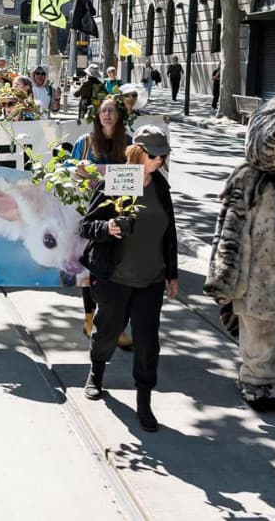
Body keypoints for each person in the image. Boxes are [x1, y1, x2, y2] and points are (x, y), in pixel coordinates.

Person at [79, 126, 179, 432]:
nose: (159, 161)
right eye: (154, 155)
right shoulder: (116, 182)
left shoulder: (161, 187)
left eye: (164, 156)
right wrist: (107, 227)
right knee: (107, 331)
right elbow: (86, 226)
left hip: (151, 280)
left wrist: (172, 274)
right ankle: (96, 372)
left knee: (148, 343)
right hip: (115, 278)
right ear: (137, 153)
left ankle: (144, 400)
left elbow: (169, 233)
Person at [70, 96, 131, 342]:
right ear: (96, 115)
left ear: (119, 116)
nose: (107, 114)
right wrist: (78, 170)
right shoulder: (84, 143)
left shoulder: (128, 143)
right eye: (103, 110)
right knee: (89, 269)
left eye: (112, 111)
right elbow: (66, 172)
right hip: (90, 214)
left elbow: (135, 175)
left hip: (118, 213)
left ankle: (115, 324)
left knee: (117, 270)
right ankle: (89, 318)